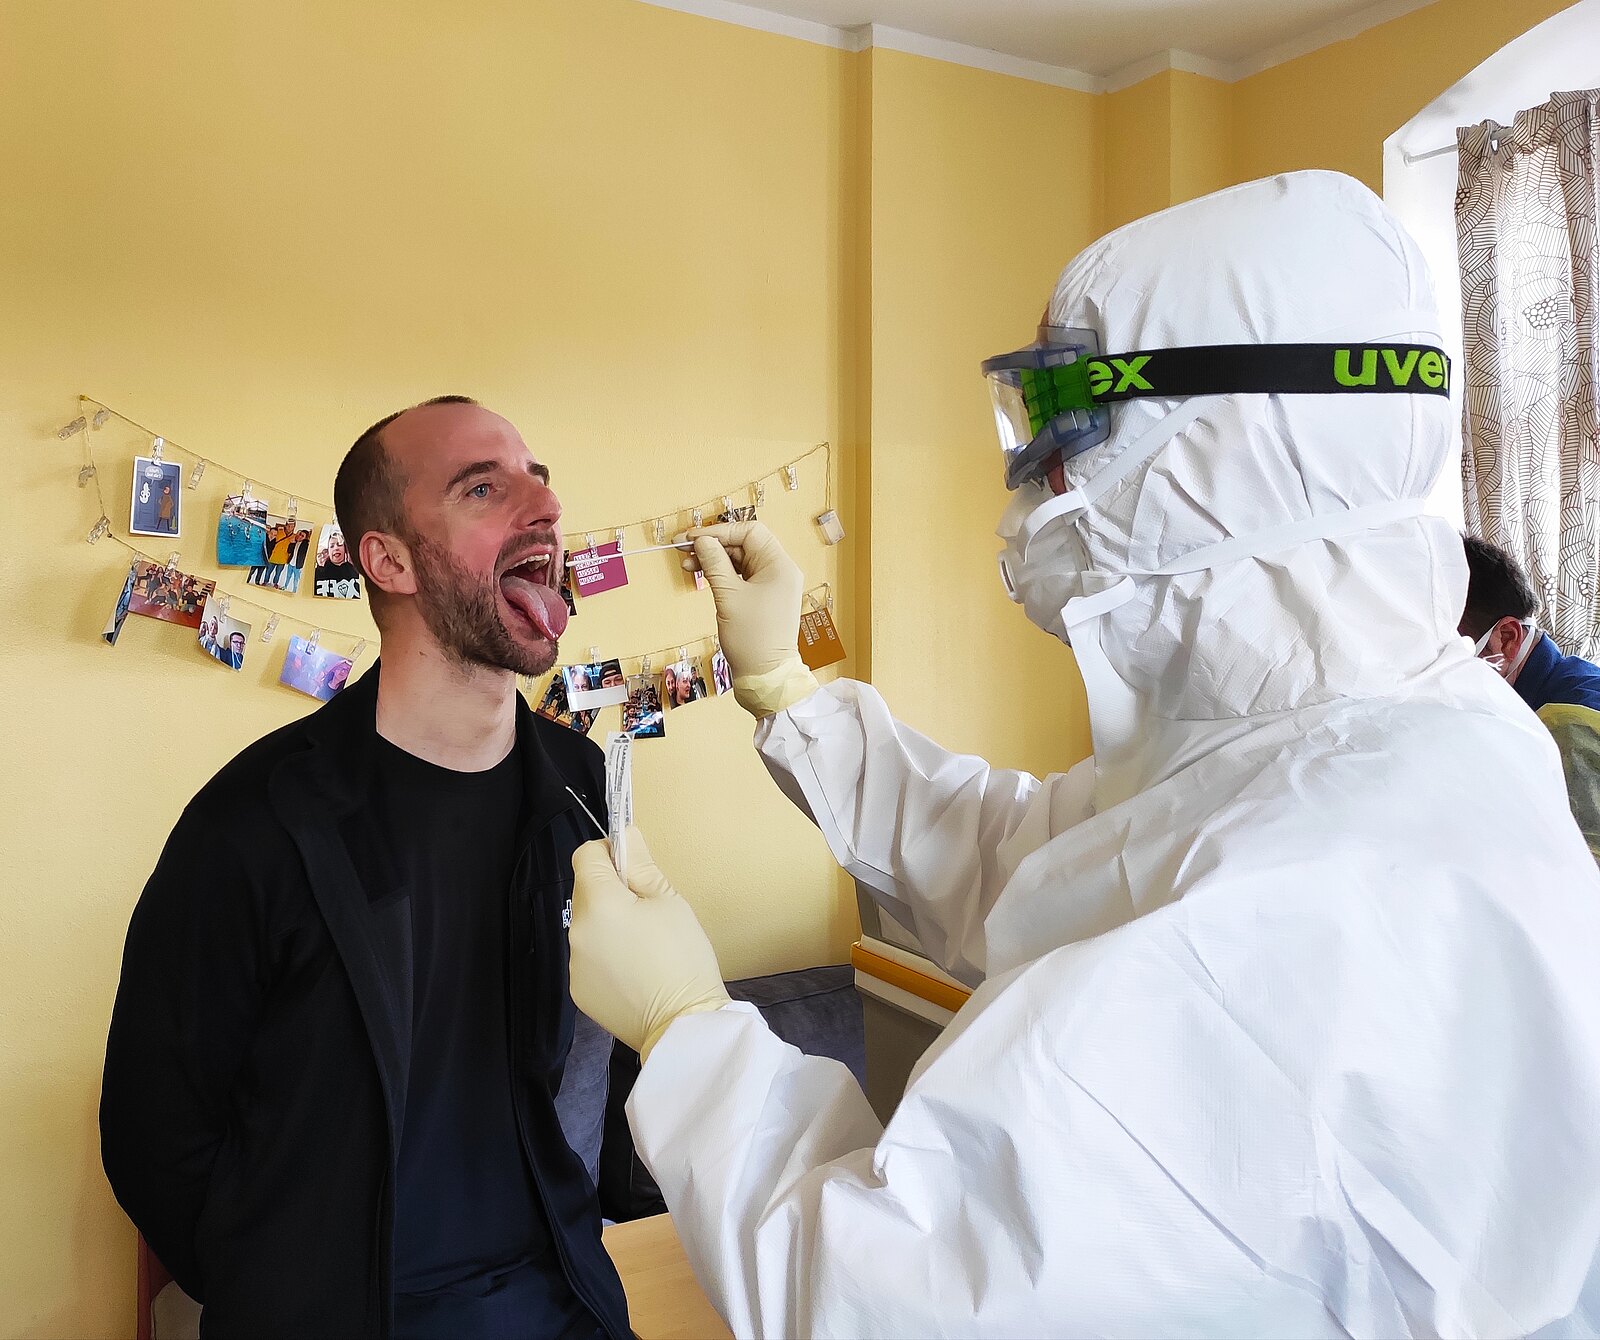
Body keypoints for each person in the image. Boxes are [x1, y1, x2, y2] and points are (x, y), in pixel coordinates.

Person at [566, 172, 1600, 1336]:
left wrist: (687, 1030)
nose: (1041, 473)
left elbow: (883, 1292)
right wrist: (788, 695)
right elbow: (1032, 863)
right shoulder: (1366, 732)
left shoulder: (1309, 890)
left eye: (1068, 417)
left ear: (1222, 442)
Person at [102, 395, 654, 1340]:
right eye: (482, 489)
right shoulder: (253, 822)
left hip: (562, 1301)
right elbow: (155, 1129)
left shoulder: (580, 785)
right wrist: (279, 1289)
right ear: (388, 560)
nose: (546, 507)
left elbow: (593, 1057)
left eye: (540, 480)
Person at [1461, 535, 1600, 859]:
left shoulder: (1570, 725)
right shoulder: (1528, 703)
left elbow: (1583, 869)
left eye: (1449, 651)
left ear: (1507, 637)